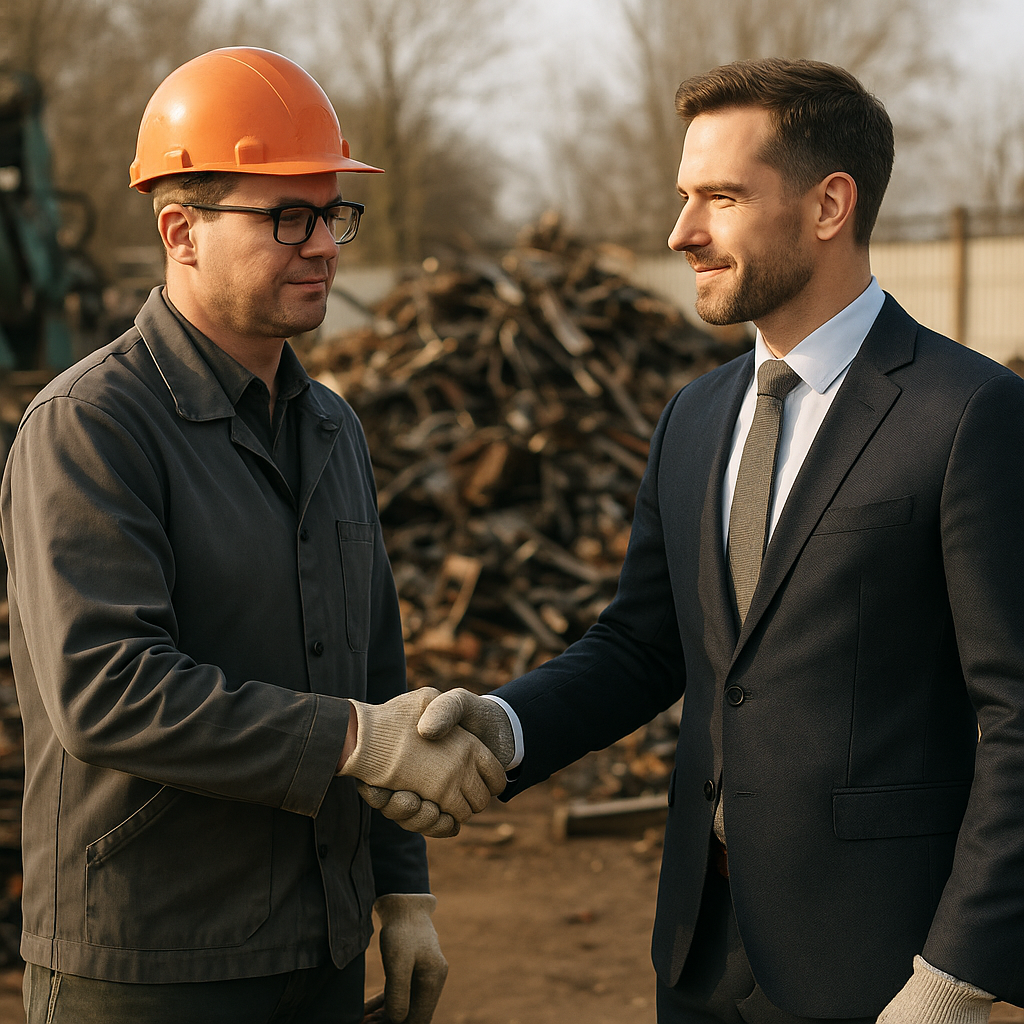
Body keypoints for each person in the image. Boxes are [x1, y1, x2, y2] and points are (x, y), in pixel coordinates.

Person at [365, 58, 1024, 1024]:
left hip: (884, 966)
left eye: (720, 197)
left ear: (829, 205)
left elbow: (1016, 715)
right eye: (684, 197)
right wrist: (501, 730)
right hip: (702, 954)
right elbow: (643, 644)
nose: (682, 233)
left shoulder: (970, 414)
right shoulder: (695, 416)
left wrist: (956, 979)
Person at [0, 47, 504, 1024]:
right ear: (179, 230)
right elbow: (105, 687)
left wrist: (404, 892)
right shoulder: (92, 424)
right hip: (152, 966)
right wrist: (358, 740)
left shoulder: (331, 429)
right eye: (287, 216)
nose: (323, 244)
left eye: (332, 214)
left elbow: (375, 667)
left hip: (318, 948)